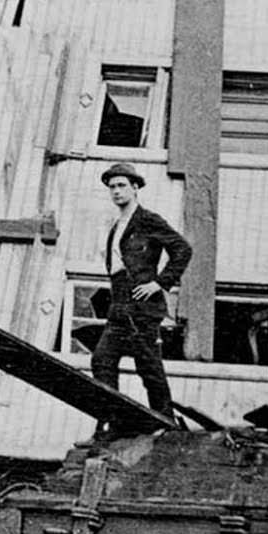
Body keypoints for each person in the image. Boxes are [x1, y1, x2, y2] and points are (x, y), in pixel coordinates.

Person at [89, 162, 193, 420]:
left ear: (135, 188)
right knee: (102, 361)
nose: (116, 191)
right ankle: (110, 424)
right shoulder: (117, 225)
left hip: (142, 309)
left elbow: (183, 249)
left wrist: (159, 283)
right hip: (119, 306)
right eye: (112, 187)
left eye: (122, 185)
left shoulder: (147, 220)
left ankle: (166, 422)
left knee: (149, 369)